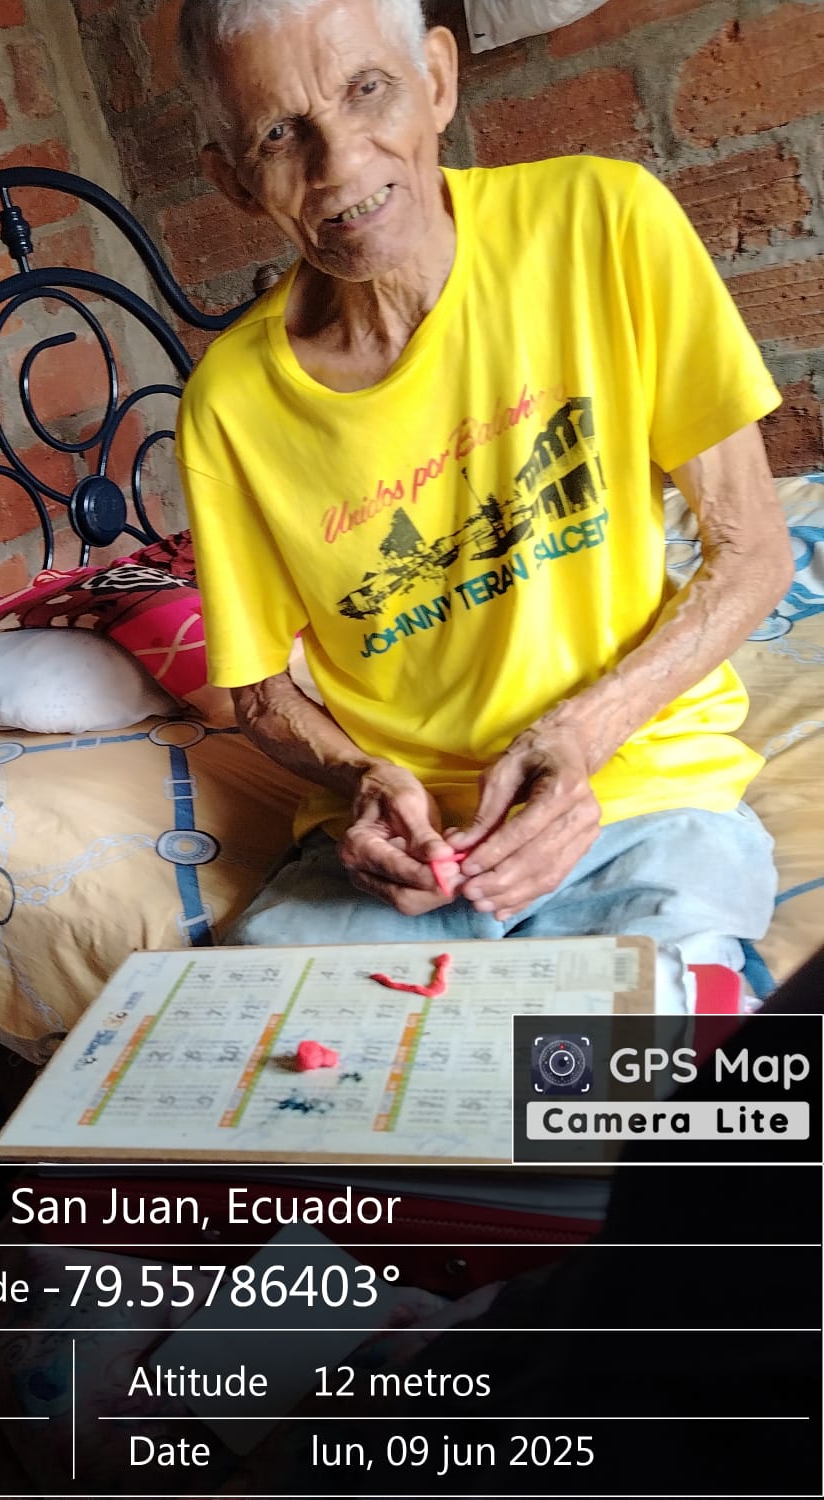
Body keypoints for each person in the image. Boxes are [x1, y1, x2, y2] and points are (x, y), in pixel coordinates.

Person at [173, 0, 794, 1002]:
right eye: (280, 134)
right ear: (233, 180)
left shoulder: (604, 220)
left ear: (437, 79)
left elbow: (754, 552)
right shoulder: (228, 404)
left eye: (367, 89)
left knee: (639, 1076)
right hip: (405, 853)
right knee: (247, 1061)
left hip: (635, 795)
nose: (340, 164)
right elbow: (259, 695)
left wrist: (583, 735)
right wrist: (363, 780)